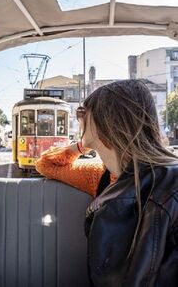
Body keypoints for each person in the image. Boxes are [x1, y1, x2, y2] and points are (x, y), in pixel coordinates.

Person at [36, 79, 178, 286]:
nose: (80, 118)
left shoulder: (106, 180)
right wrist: (83, 143)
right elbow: (46, 164)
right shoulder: (102, 175)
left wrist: (87, 140)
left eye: (84, 115)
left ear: (103, 127)